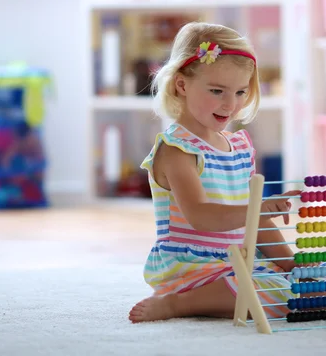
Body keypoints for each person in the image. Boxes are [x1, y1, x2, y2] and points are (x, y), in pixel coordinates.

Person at [129, 22, 301, 323]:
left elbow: (255, 224)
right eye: (217, 91)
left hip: (235, 264)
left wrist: (288, 263)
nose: (230, 104)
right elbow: (201, 215)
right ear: (182, 85)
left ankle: (235, 294)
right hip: (191, 266)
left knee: (304, 293)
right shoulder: (177, 150)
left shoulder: (238, 146)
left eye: (240, 92)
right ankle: (178, 304)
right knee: (273, 295)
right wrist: (256, 209)